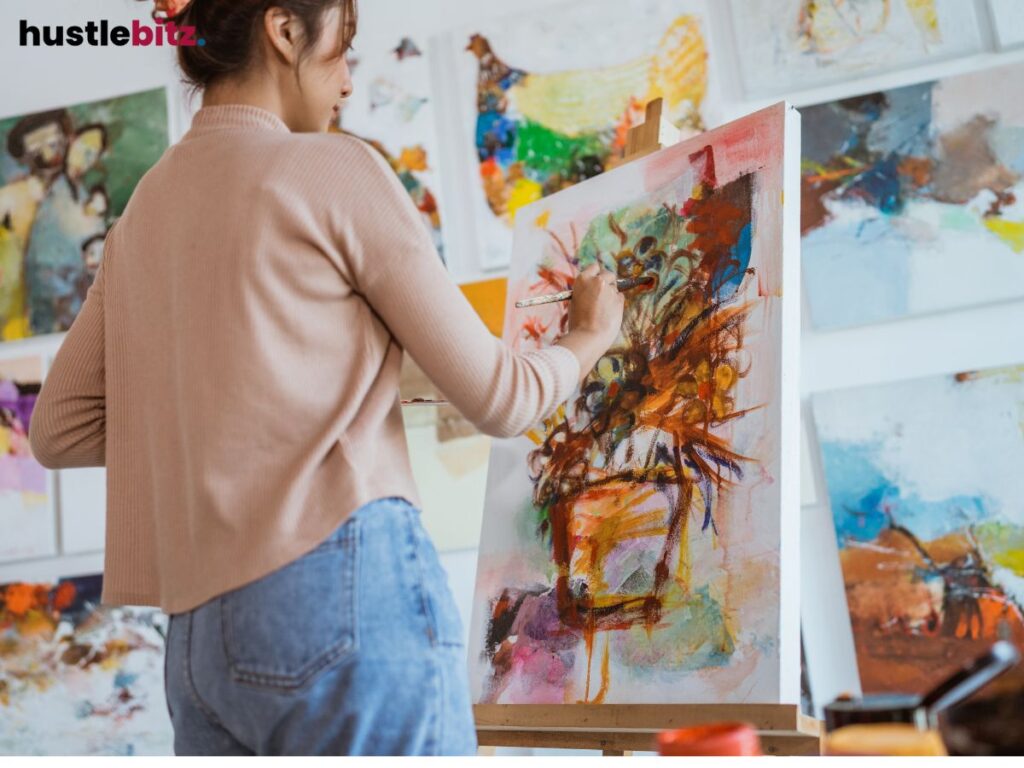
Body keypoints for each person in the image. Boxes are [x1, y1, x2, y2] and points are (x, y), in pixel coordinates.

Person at [28, 0, 624, 757]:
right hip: (341, 598)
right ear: (283, 30)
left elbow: (58, 429)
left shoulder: (141, 215)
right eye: (345, 47)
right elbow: (502, 398)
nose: (347, 80)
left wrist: (221, 403)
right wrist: (588, 335)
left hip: (198, 648)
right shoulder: (333, 167)